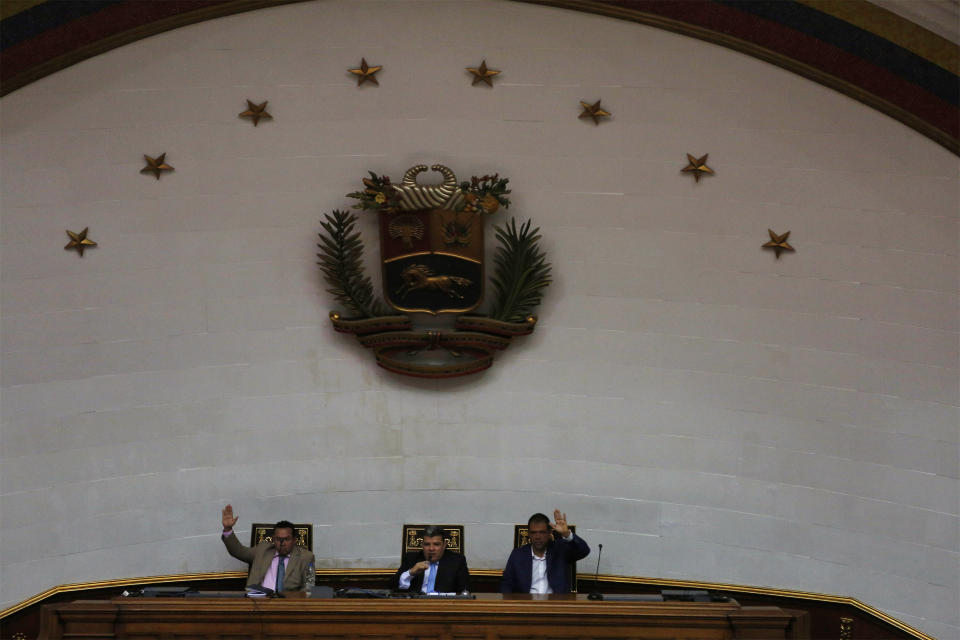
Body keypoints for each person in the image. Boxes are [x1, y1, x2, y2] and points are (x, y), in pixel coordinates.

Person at [220, 504, 315, 593]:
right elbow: (238, 551)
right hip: (257, 602)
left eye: (287, 539)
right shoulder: (262, 550)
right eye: (278, 539)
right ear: (273, 539)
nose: (283, 543)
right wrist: (228, 529)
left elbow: (309, 588)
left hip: (287, 605)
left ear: (294, 540)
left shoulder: (306, 557)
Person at [500, 509, 590, 594]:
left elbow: (584, 551)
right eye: (533, 533)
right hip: (526, 604)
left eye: (542, 532)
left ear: (549, 533)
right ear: (528, 534)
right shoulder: (518, 554)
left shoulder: (560, 549)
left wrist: (566, 534)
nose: (537, 537)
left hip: (556, 605)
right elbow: (506, 584)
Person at [394, 525, 470, 593]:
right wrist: (410, 573)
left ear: (444, 545)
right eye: (427, 544)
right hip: (416, 605)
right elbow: (393, 587)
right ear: (422, 545)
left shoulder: (457, 561)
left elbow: (465, 591)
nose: (431, 548)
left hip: (445, 605)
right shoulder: (411, 559)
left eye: (436, 544)